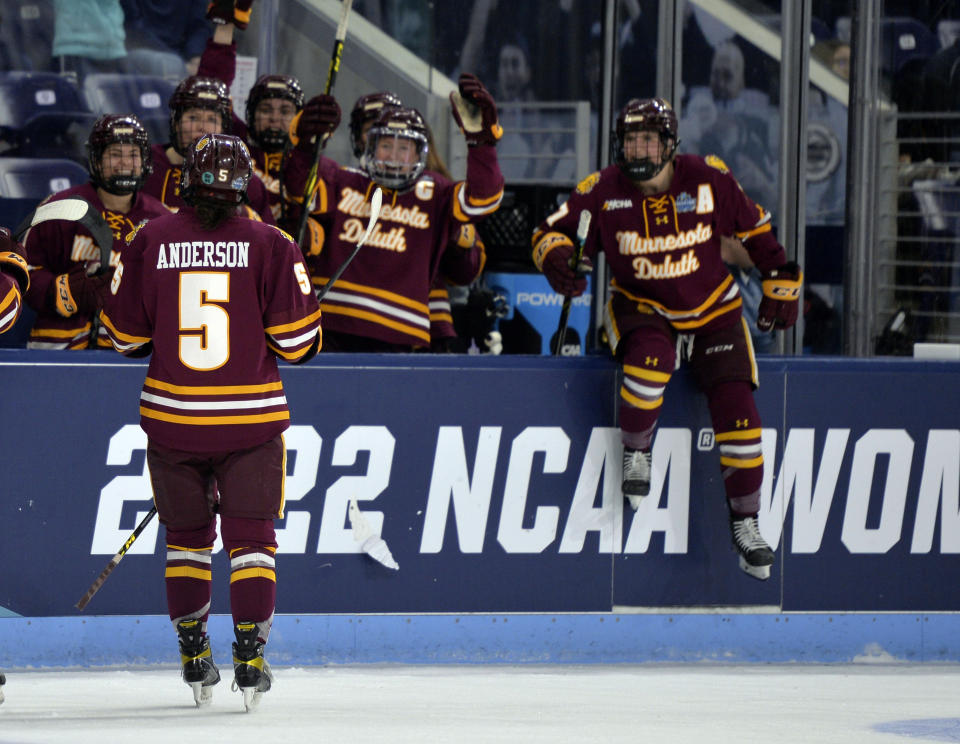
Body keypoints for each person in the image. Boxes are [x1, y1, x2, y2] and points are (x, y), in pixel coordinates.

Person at [532, 98, 802, 581]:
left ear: (671, 144)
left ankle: (747, 523)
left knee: (741, 417)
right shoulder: (601, 189)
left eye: (649, 139)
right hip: (641, 305)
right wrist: (557, 258)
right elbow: (551, 231)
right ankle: (637, 449)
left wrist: (781, 275)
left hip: (715, 310)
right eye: (631, 139)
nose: (639, 148)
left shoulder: (708, 177)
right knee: (649, 364)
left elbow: (756, 228)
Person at [100, 133, 321, 711]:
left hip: (173, 424)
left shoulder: (151, 239)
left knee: (188, 543)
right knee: (252, 544)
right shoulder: (273, 243)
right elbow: (299, 346)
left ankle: (194, 652)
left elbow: (123, 339)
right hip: (250, 424)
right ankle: (250, 655)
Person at [283, 74, 504, 352]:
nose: (394, 156)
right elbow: (297, 187)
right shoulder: (342, 179)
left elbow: (484, 199)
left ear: (419, 154)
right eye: (386, 146)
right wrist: (305, 145)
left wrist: (481, 144)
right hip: (330, 326)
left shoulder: (436, 193)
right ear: (370, 146)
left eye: (404, 149)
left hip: (401, 336)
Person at [21, 114, 170, 349]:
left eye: (133, 154)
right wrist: (64, 293)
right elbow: (23, 269)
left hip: (129, 350)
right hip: (58, 347)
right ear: (96, 159)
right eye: (115, 154)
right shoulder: (60, 207)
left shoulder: (160, 219)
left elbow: (172, 290)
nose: (125, 163)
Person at [140, 20, 274, 223]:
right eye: (193, 117)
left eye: (212, 119)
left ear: (225, 127)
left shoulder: (244, 180)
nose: (202, 127)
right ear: (175, 122)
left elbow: (270, 247)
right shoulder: (142, 166)